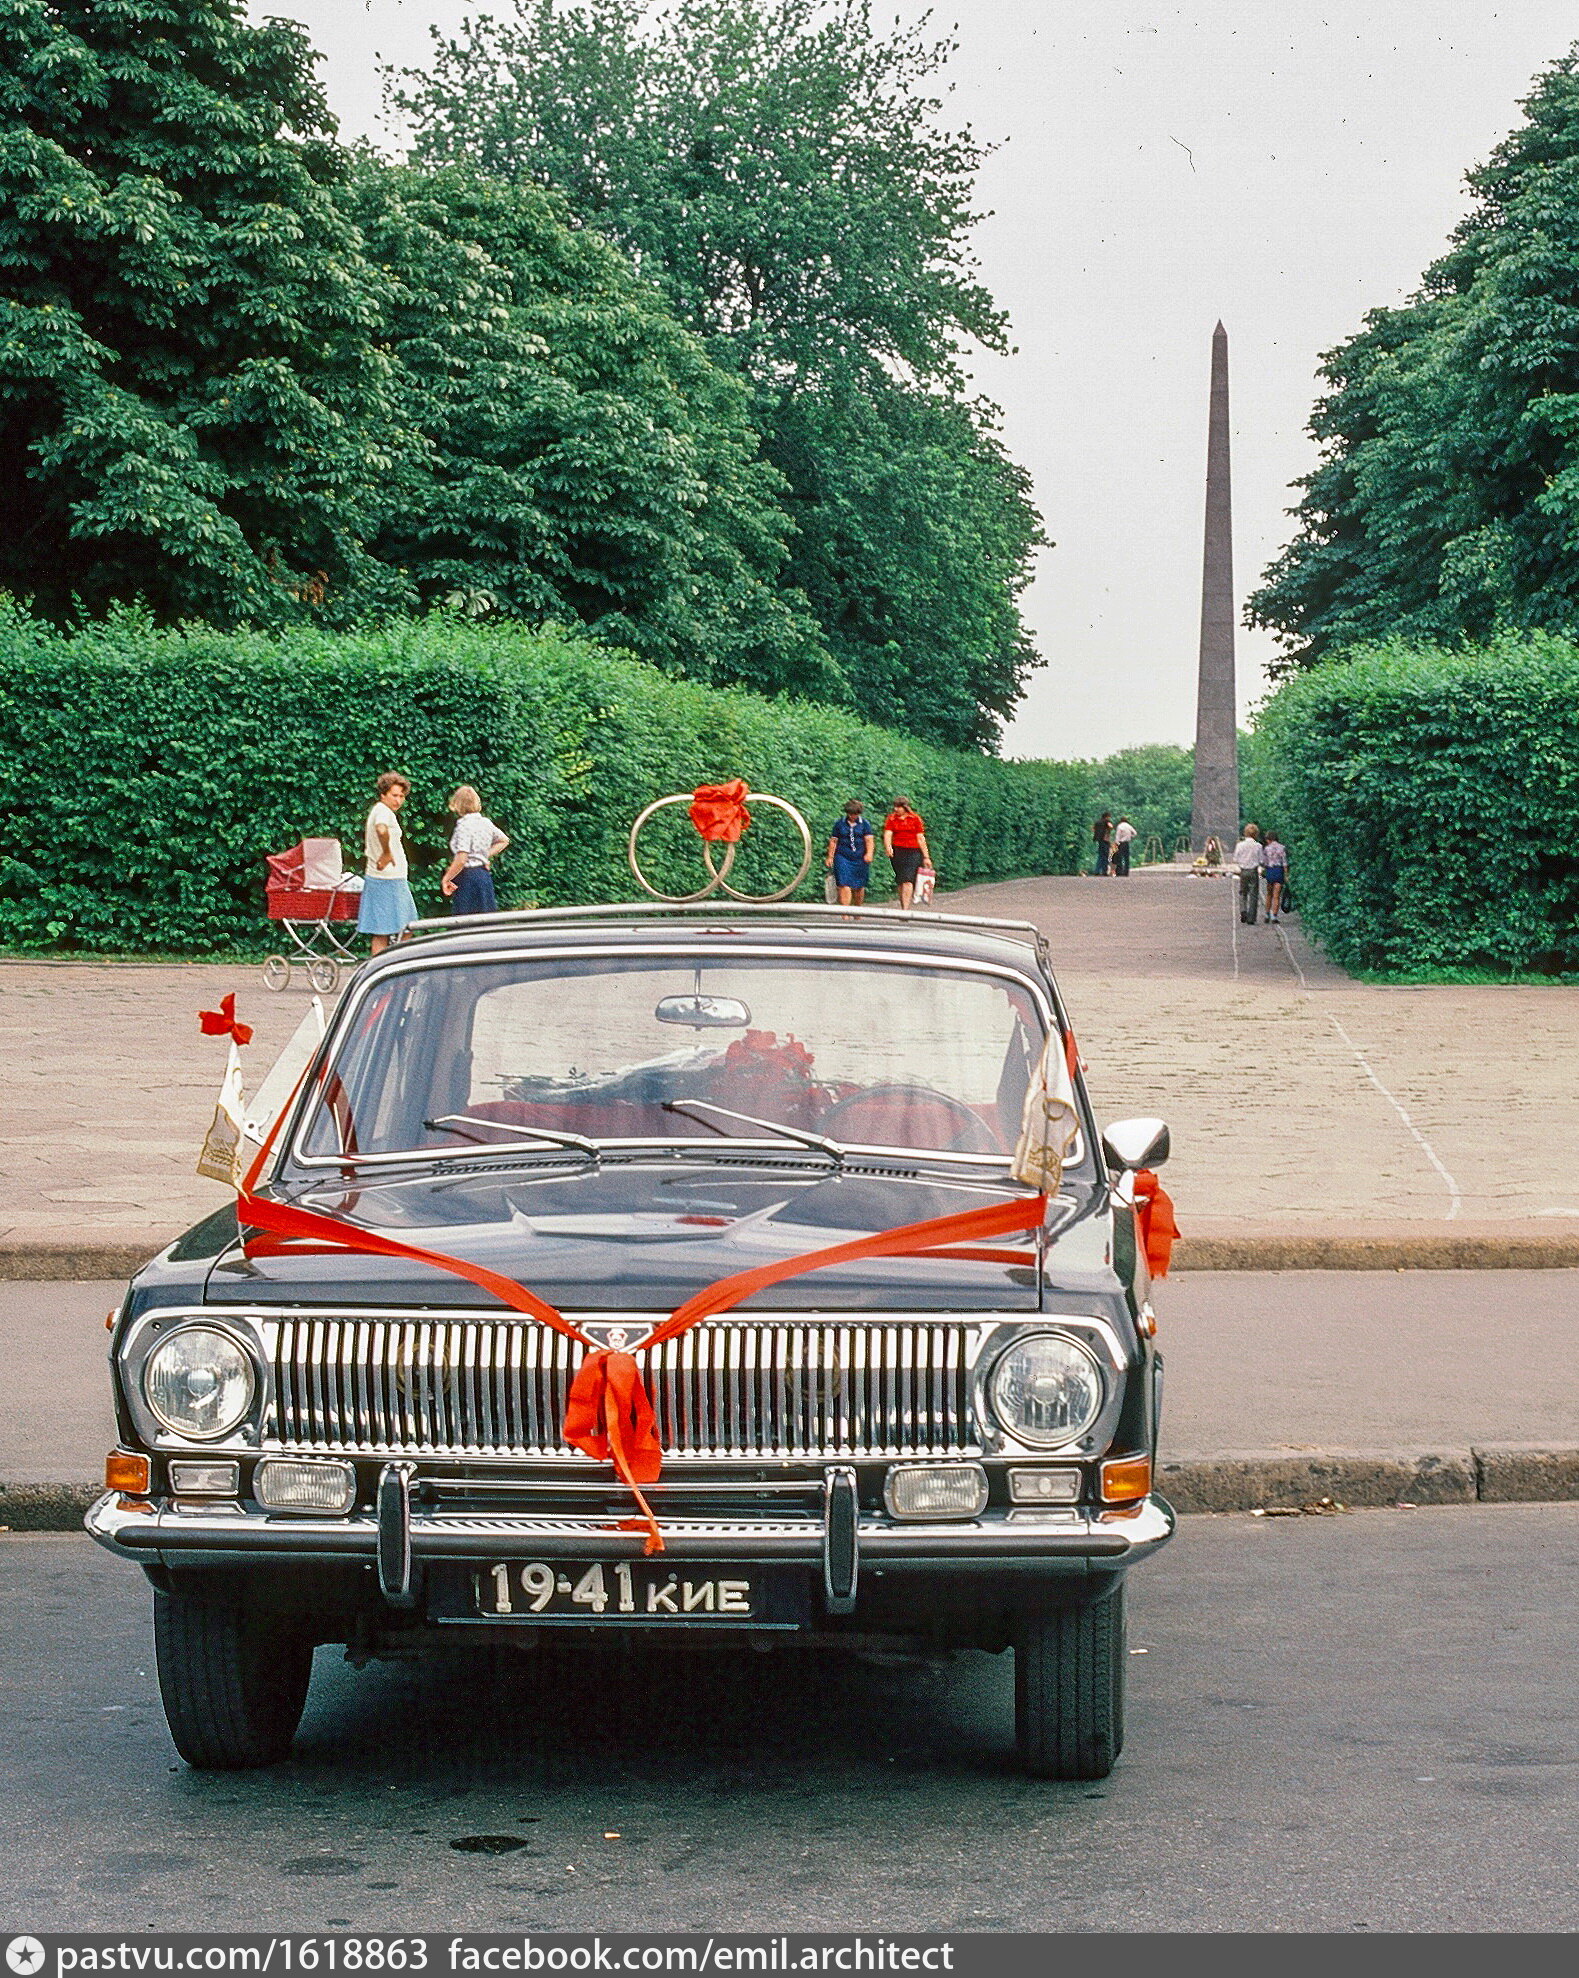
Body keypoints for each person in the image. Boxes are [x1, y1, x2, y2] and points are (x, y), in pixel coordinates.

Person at [357, 771, 417, 955]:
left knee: (393, 929)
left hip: (389, 878)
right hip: (387, 879)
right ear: (383, 794)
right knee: (397, 929)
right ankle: (387, 970)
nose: (398, 800)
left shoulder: (382, 811)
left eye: (402, 796)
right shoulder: (382, 811)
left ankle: (390, 967)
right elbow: (381, 830)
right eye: (394, 795)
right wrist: (387, 853)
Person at [441, 785, 510, 916]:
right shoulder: (485, 822)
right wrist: (484, 856)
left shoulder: (463, 826)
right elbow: (503, 840)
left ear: (457, 804)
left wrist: (446, 879)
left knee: (465, 922)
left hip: (468, 878)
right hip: (483, 876)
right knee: (486, 922)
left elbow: (462, 859)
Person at [882, 797, 932, 910]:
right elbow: (888, 834)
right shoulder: (891, 819)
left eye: (898, 807)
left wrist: (926, 857)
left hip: (913, 851)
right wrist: (888, 846)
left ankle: (905, 909)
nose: (896, 809)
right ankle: (903, 904)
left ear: (905, 807)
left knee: (908, 879)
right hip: (898, 851)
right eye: (895, 807)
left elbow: (920, 838)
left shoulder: (915, 819)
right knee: (901, 880)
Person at [826, 799, 875, 904]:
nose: (853, 816)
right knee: (844, 884)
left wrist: (869, 854)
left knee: (859, 887)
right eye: (851, 814)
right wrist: (830, 857)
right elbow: (833, 841)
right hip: (842, 856)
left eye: (855, 814)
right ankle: (846, 913)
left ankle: (857, 910)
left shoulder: (865, 824)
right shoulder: (839, 824)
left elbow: (869, 840)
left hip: (860, 858)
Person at [1232, 822, 1265, 925]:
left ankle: (1243, 910)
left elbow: (1235, 858)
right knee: (1254, 894)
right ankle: (1251, 917)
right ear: (1256, 834)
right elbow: (1261, 860)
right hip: (1253, 871)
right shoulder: (1258, 846)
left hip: (1243, 871)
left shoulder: (1240, 845)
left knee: (1243, 892)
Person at [1263, 831, 1289, 923]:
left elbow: (1265, 863)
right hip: (1279, 871)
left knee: (1269, 894)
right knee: (1276, 896)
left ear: (1268, 839)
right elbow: (1285, 862)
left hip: (1270, 871)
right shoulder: (1282, 848)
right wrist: (1286, 874)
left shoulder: (1266, 849)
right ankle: (1274, 916)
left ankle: (1267, 914)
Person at [1092, 811, 1112, 877]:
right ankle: (1104, 871)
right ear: (1107, 817)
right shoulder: (1106, 822)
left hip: (1099, 840)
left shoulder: (1097, 822)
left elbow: (1093, 829)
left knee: (1100, 856)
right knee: (1105, 856)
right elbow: (1111, 827)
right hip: (1105, 840)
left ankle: (1097, 871)